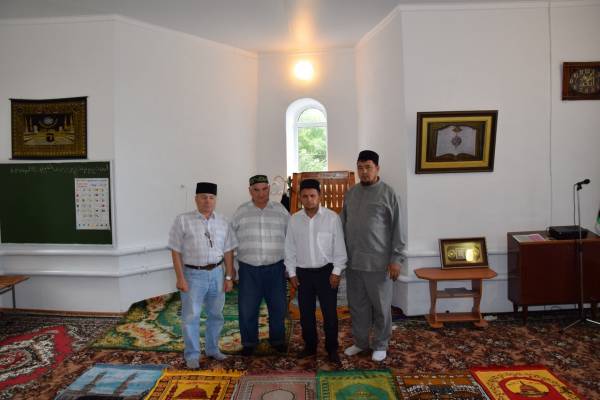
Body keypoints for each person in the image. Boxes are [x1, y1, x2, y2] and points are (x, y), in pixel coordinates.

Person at [341, 150, 405, 362]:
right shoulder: (351, 193)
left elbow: (398, 229)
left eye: (368, 167)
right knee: (357, 307)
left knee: (381, 307)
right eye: (360, 168)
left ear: (377, 168)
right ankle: (360, 342)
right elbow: (342, 224)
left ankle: (380, 344)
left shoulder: (388, 193)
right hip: (354, 263)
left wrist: (396, 260)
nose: (364, 172)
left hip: (379, 264)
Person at [168, 182, 237, 369]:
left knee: (216, 314)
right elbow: (175, 250)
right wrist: (180, 278)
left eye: (211, 197)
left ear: (215, 200)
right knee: (191, 316)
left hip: (217, 274)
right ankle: (192, 355)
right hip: (193, 275)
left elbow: (229, 250)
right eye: (203, 197)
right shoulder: (183, 220)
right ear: (196, 199)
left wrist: (228, 277)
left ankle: (213, 349)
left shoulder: (223, 221)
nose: (207, 201)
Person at [284, 179, 347, 364]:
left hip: (326, 273)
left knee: (330, 314)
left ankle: (332, 348)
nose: (309, 199)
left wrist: (336, 271)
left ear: (320, 196)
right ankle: (310, 346)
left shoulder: (332, 218)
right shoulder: (294, 220)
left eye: (313, 195)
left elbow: (339, 247)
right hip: (303, 274)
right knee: (306, 314)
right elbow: (289, 248)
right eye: (305, 196)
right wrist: (292, 273)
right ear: (300, 198)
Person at [231, 174, 290, 356]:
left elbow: (291, 239)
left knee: (278, 307)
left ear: (269, 189)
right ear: (250, 191)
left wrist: (290, 266)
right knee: (247, 308)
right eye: (256, 190)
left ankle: (278, 341)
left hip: (276, 268)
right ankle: (249, 343)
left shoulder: (280, 211)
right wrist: (232, 268)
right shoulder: (241, 212)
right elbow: (230, 241)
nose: (261, 194)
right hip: (249, 269)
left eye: (264, 189)